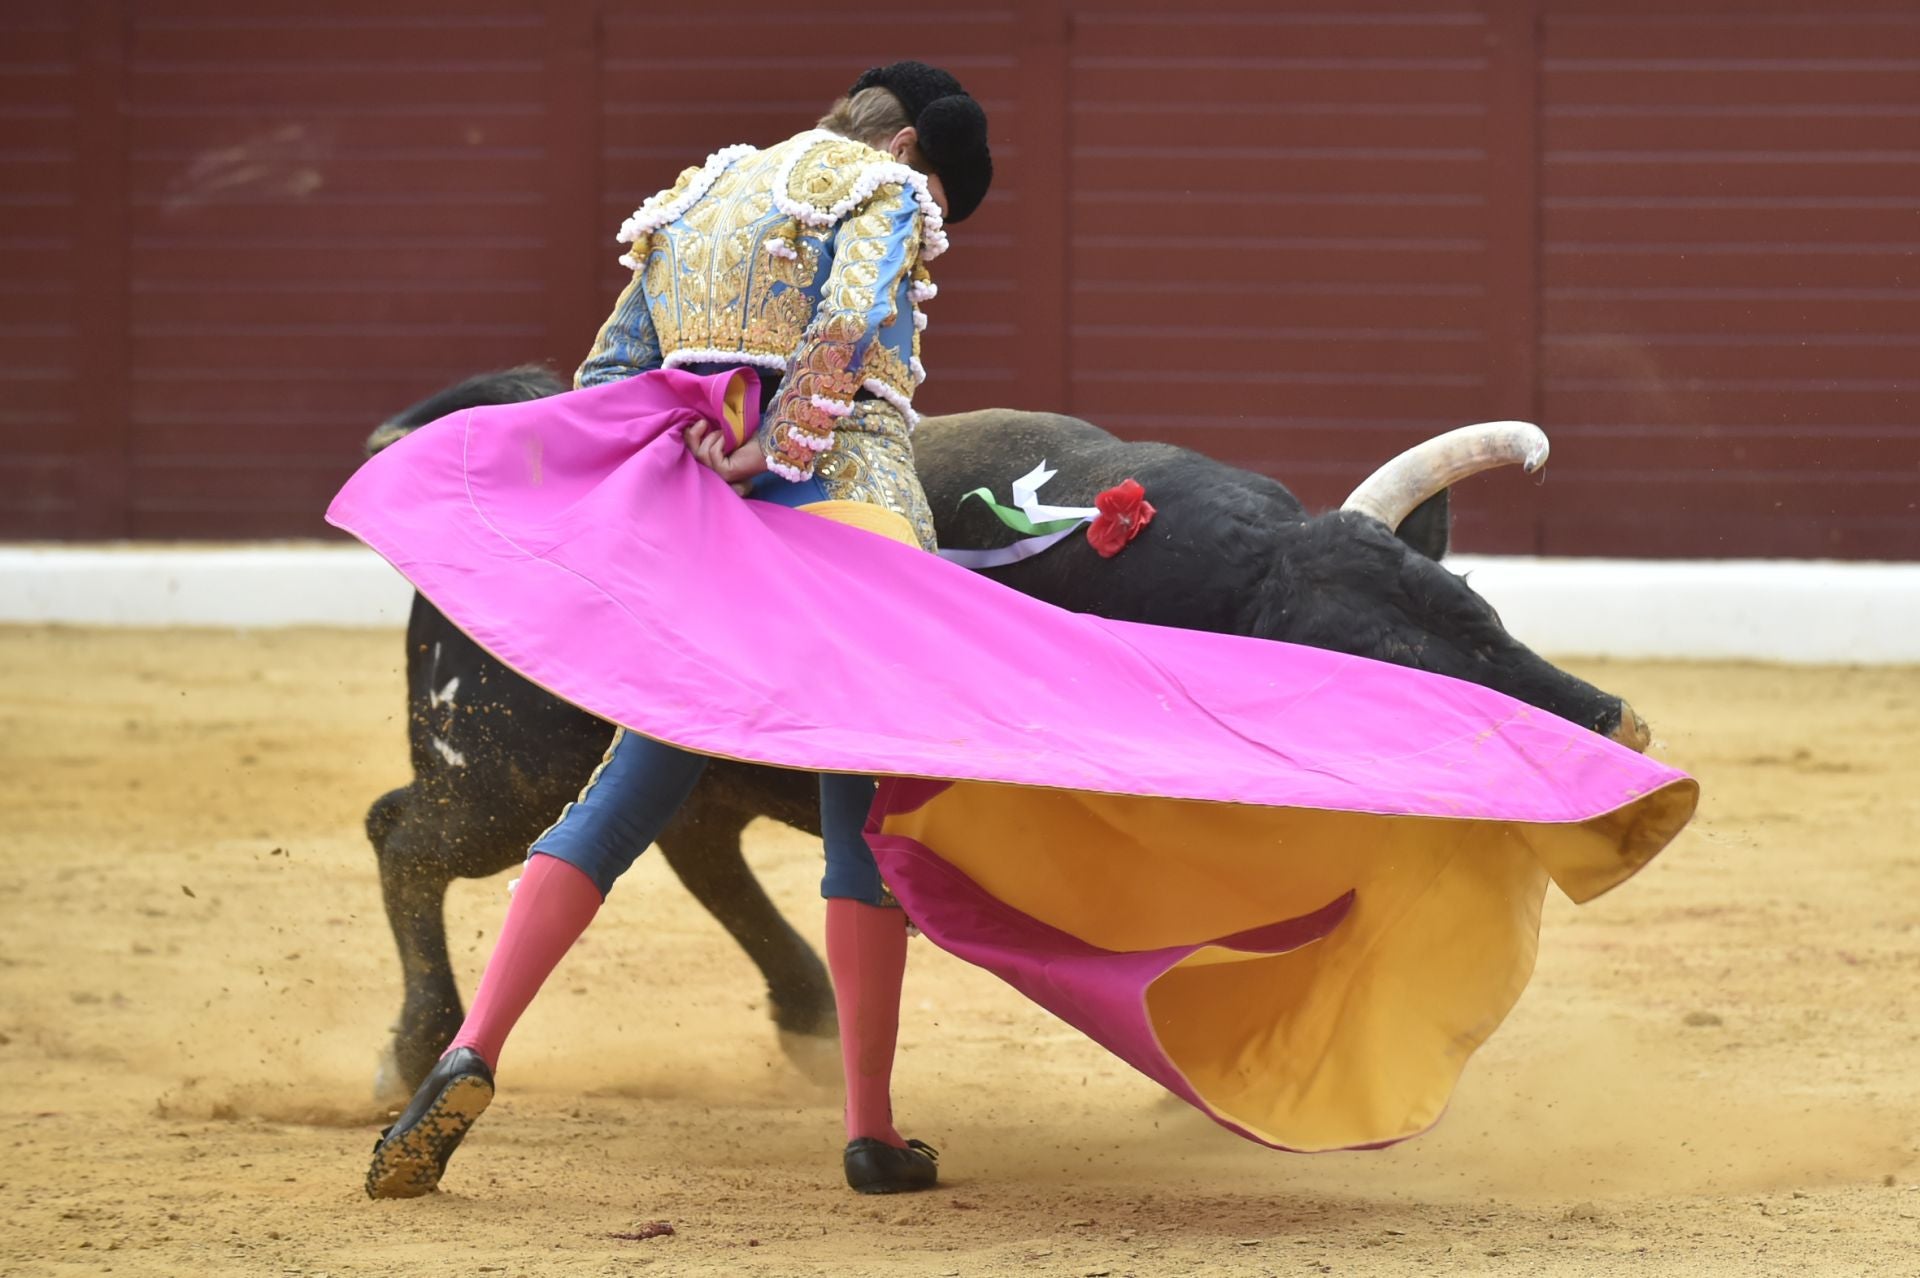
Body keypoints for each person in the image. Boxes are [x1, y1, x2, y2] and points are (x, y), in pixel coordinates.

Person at [364, 60, 992, 1200]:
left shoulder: (691, 199)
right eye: (941, 202)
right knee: (861, 824)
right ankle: (870, 1131)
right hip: (851, 524)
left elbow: (609, 376)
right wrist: (781, 450)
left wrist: (694, 466)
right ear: (910, 150)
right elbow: (849, 324)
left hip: (712, 538)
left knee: (621, 794)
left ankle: (470, 1050)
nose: (931, 227)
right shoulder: (881, 190)